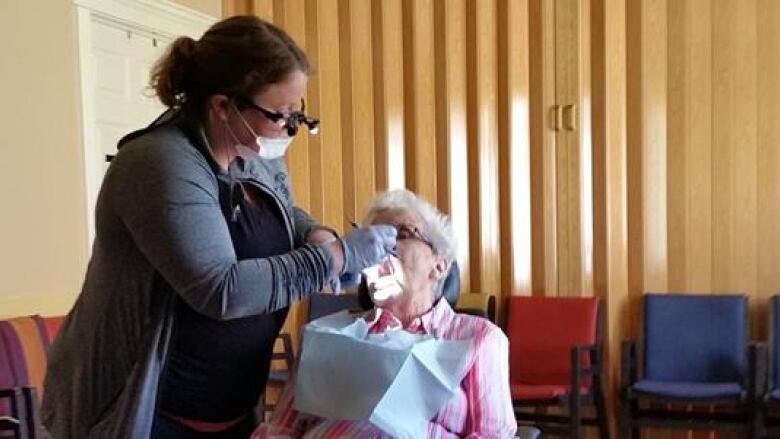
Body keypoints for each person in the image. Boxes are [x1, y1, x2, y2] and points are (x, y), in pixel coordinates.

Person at [41, 16, 396, 439]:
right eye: (279, 114)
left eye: (297, 113)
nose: (290, 129)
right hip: (144, 410)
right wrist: (335, 257)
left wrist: (313, 233)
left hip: (228, 404)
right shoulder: (160, 163)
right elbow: (220, 289)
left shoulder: (256, 151)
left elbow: (281, 212)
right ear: (222, 107)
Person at [252, 189, 517, 438]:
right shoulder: (326, 333)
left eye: (400, 234)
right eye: (369, 238)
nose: (378, 248)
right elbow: (280, 430)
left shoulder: (479, 339)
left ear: (439, 266)